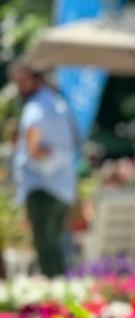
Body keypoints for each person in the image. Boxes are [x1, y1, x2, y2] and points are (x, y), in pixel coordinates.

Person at [9, 60, 78, 277]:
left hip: (41, 186)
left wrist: (28, 150)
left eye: (21, 81)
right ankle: (62, 296)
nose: (18, 87)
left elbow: (33, 138)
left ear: (36, 79)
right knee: (56, 247)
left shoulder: (36, 106)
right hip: (62, 186)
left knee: (46, 249)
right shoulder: (59, 103)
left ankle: (55, 300)